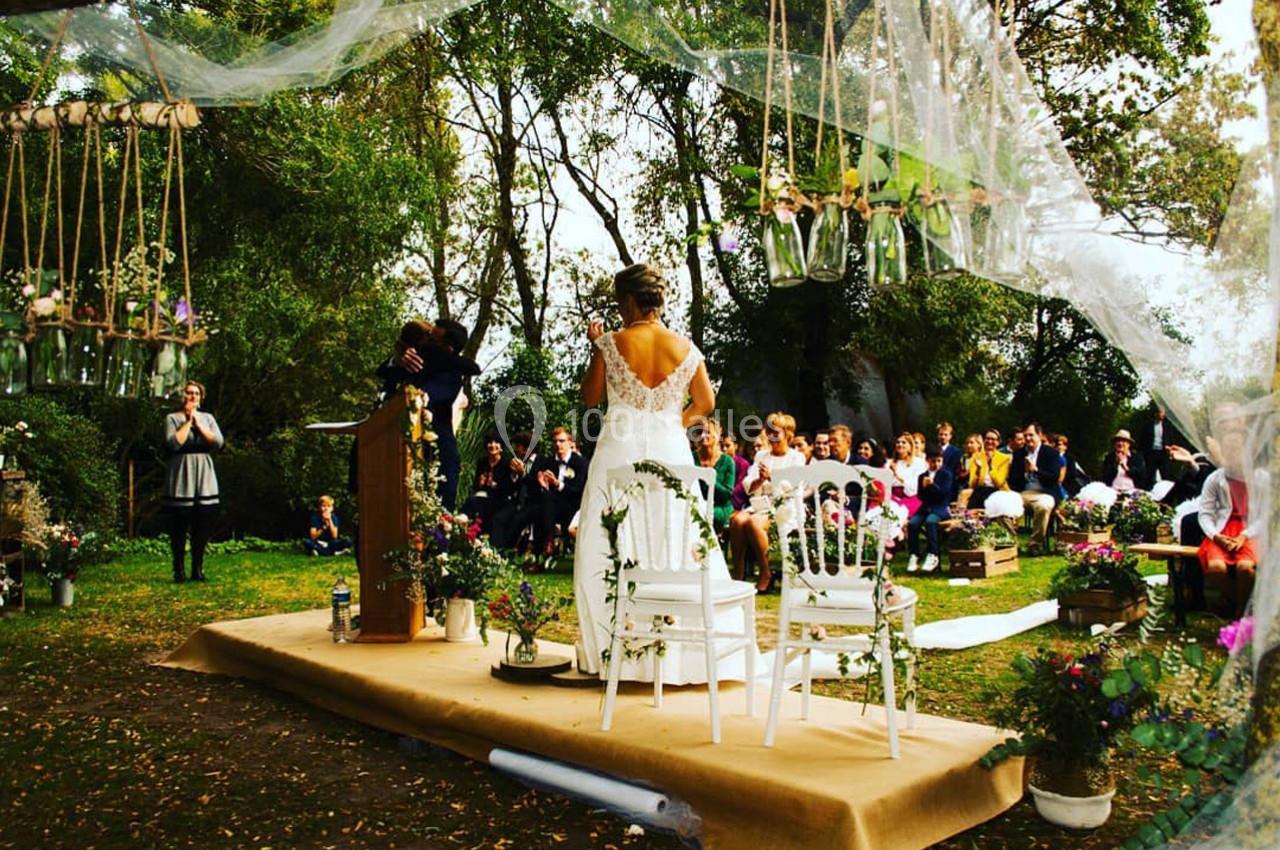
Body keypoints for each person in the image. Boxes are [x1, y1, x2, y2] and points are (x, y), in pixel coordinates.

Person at [574, 262, 748, 683]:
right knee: (673, 539)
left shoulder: (611, 343)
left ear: (629, 300)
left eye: (619, 303)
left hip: (618, 449)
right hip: (671, 450)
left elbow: (590, 397)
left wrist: (597, 346)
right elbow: (704, 403)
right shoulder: (685, 347)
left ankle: (615, 653)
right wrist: (671, 421)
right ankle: (676, 656)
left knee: (606, 543)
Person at [376, 318, 481, 510]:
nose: (424, 343)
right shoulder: (413, 362)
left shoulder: (450, 374)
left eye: (432, 339)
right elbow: (384, 371)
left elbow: (427, 396)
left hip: (437, 458)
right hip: (389, 453)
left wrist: (420, 398)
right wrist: (398, 359)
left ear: (447, 348)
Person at [728, 412, 806, 590]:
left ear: (787, 434)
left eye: (776, 433)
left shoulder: (796, 457)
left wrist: (771, 478)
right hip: (761, 504)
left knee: (755, 522)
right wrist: (761, 480)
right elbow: (749, 483)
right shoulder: (762, 455)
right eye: (769, 432)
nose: (772, 437)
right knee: (738, 520)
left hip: (784, 507)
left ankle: (766, 572)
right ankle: (739, 574)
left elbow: (793, 487)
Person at [163, 380, 223, 583]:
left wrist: (198, 423)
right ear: (183, 396)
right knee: (179, 526)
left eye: (196, 393)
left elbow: (217, 442)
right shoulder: (172, 418)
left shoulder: (208, 418)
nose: (193, 396)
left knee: (203, 524)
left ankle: (197, 568)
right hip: (181, 473)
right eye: (189, 393)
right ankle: (178, 569)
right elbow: (173, 443)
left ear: (201, 397)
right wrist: (188, 422)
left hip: (204, 475)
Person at [1196, 424, 1258, 618]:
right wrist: (1216, 536)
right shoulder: (1215, 478)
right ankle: (1246, 604)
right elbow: (1204, 513)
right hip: (1222, 531)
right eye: (1228, 449)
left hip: (1251, 530)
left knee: (1245, 568)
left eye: (1238, 448)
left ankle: (1239, 613)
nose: (1233, 454)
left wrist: (1244, 536)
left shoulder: (1260, 478)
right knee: (1215, 568)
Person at [531, 427, 587, 558]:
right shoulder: (547, 462)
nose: (558, 444)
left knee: (544, 506)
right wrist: (542, 484)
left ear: (570, 442)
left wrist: (557, 484)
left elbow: (579, 489)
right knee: (539, 507)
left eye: (561, 441)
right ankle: (541, 551)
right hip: (550, 506)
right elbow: (534, 487)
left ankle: (548, 542)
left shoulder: (580, 462)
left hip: (573, 505)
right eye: (555, 441)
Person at [1009, 422, 1061, 555]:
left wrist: (1035, 470)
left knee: (1043, 506)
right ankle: (1009, 543)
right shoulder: (1019, 454)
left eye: (1031, 435)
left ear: (1039, 435)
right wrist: (1025, 473)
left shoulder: (1051, 453)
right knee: (1003, 503)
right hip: (1024, 492)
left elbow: (1054, 477)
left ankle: (1035, 544)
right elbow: (1013, 480)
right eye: (1025, 436)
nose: (1027, 439)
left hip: (1045, 493)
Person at [907, 445, 953, 573]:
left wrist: (932, 486)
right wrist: (925, 488)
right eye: (933, 461)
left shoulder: (946, 475)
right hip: (926, 507)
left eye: (939, 461)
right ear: (927, 461)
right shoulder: (922, 476)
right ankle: (914, 554)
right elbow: (921, 496)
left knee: (931, 522)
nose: (936, 464)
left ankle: (933, 554)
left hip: (940, 508)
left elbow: (944, 495)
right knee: (912, 524)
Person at [692, 417, 736, 532]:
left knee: (702, 514)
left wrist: (709, 479)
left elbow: (727, 494)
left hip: (720, 507)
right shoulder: (691, 458)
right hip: (696, 504)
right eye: (700, 432)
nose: (703, 436)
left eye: (707, 432)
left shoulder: (727, 461)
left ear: (716, 435)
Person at [461, 434, 512, 528]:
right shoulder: (482, 462)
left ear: (501, 447)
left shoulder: (506, 463)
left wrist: (495, 486)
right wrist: (480, 483)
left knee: (473, 501)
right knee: (473, 501)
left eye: (496, 443)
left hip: (498, 499)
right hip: (481, 496)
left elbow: (508, 489)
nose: (493, 445)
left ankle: (464, 520)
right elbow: (475, 486)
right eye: (490, 442)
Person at [960, 428, 1011, 510]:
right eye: (988, 439)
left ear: (998, 442)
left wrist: (991, 467)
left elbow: (999, 483)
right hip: (980, 490)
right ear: (983, 441)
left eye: (993, 439)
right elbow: (972, 484)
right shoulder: (977, 456)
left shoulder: (1004, 458)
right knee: (975, 496)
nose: (990, 442)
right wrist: (978, 471)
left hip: (997, 490)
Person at [1138, 405, 1181, 487]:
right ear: (1156, 414)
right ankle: (1147, 493)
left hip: (1163, 453)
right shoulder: (1148, 425)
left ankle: (1167, 493)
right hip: (1151, 453)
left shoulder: (1167, 426)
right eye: (1161, 412)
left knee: (1166, 474)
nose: (1162, 414)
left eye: (1163, 412)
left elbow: (1171, 439)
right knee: (1149, 475)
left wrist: (1170, 449)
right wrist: (1143, 453)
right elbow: (1142, 440)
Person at [887, 432, 927, 517]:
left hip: (909, 497)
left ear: (910, 446)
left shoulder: (918, 463)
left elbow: (913, 487)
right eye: (898, 442)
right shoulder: (889, 463)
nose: (900, 444)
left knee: (899, 512)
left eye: (903, 442)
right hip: (892, 496)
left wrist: (896, 474)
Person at [1101, 430, 1146, 495]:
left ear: (1129, 444)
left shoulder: (1137, 458)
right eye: (1118, 441)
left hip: (1132, 491)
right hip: (1112, 491)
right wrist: (1116, 464)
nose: (1120, 443)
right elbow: (1105, 478)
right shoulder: (1109, 457)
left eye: (1123, 441)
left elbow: (1141, 477)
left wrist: (1125, 467)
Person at [721, 431, 751, 510]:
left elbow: (741, 487)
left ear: (735, 446)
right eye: (722, 446)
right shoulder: (720, 463)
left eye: (727, 446)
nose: (724, 449)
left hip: (736, 502)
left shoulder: (743, 464)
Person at [1055, 434, 1090, 499]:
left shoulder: (1069, 457)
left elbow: (1072, 472)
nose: (1058, 447)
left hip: (1069, 485)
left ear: (1065, 447)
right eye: (1056, 445)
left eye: (1060, 445)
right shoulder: (1054, 456)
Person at [936, 421, 963, 499]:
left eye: (946, 435)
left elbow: (955, 471)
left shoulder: (955, 452)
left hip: (949, 487)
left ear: (950, 436)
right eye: (941, 434)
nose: (943, 437)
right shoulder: (933, 449)